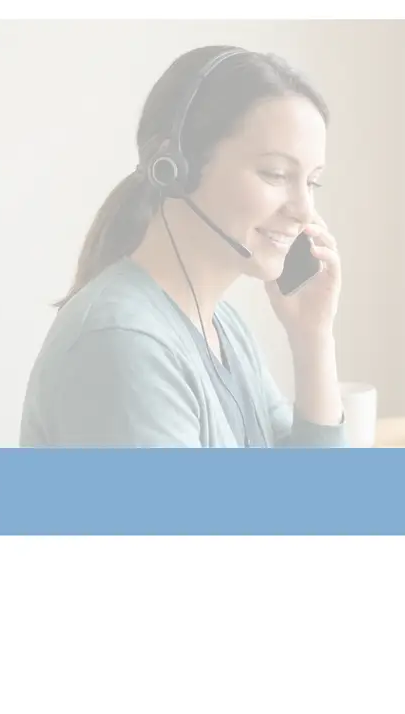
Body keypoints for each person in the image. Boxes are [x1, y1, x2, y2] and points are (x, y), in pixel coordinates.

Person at [19, 46, 348, 447]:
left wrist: (313, 337)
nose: (304, 210)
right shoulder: (124, 343)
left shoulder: (222, 326)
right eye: (276, 174)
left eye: (312, 182)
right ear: (176, 167)